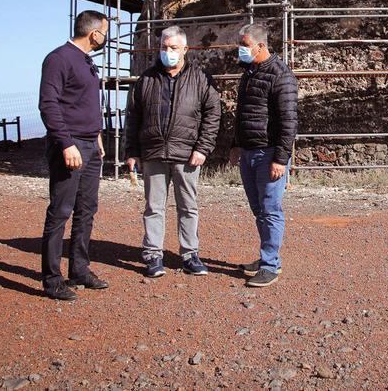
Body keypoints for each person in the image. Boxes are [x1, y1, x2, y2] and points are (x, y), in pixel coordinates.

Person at [124, 26, 221, 278]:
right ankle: (153, 255)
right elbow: (133, 118)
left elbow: (213, 115)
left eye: (174, 48)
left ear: (185, 50)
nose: (168, 52)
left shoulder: (200, 79)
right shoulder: (146, 79)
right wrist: (132, 151)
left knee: (188, 207)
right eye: (164, 47)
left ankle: (190, 255)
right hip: (153, 153)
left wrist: (203, 148)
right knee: (154, 207)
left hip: (187, 155)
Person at [38, 10, 109, 301]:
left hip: (91, 145)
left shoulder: (86, 62)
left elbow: (86, 104)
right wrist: (67, 144)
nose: (106, 37)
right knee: (60, 212)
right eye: (105, 31)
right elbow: (48, 104)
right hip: (70, 146)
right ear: (94, 34)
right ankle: (52, 279)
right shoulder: (58, 59)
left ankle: (79, 269)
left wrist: (98, 136)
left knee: (86, 210)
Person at [232, 22, 297, 288]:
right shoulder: (249, 72)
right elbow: (242, 114)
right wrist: (236, 144)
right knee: (258, 209)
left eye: (245, 45)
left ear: (260, 46)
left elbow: (288, 121)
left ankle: (270, 265)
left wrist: (281, 159)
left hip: (269, 154)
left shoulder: (281, 75)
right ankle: (265, 257)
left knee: (270, 210)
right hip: (249, 152)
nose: (241, 50)